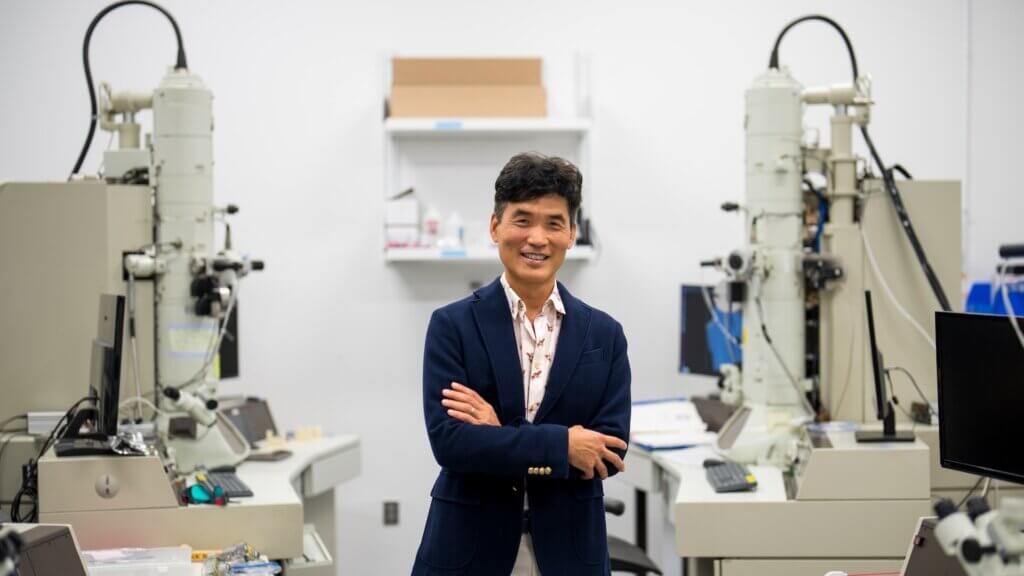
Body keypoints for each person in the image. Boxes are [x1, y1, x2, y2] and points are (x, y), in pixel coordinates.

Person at [412, 153, 631, 575]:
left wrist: (498, 434)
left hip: (570, 554)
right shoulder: (452, 326)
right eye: (522, 219)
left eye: (553, 223)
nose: (536, 238)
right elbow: (451, 444)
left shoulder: (604, 336)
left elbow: (607, 454)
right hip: (468, 550)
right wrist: (563, 446)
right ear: (495, 227)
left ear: (571, 233)